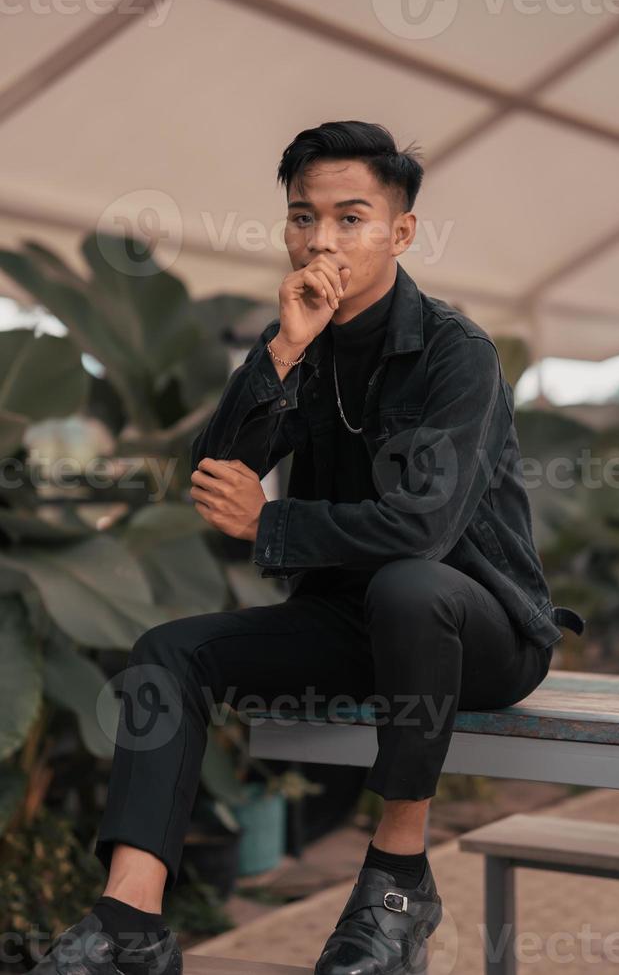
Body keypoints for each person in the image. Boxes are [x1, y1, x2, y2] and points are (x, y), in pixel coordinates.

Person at [34, 120, 584, 975]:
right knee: (164, 654)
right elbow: (219, 473)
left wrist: (270, 524)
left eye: (349, 217)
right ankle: (128, 924)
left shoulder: (457, 353)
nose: (320, 239)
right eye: (302, 217)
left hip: (479, 631)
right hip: (354, 621)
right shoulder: (300, 336)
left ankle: (398, 881)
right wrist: (285, 350)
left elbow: (423, 529)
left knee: (409, 583)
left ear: (400, 232)